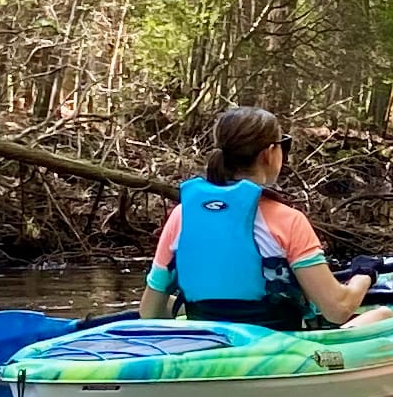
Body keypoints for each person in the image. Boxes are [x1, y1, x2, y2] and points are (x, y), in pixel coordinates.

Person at [143, 105, 369, 329]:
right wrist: (364, 274)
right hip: (277, 345)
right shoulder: (288, 220)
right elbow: (337, 309)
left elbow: (149, 312)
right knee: (385, 314)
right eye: (284, 145)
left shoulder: (182, 216)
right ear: (268, 154)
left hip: (207, 340)